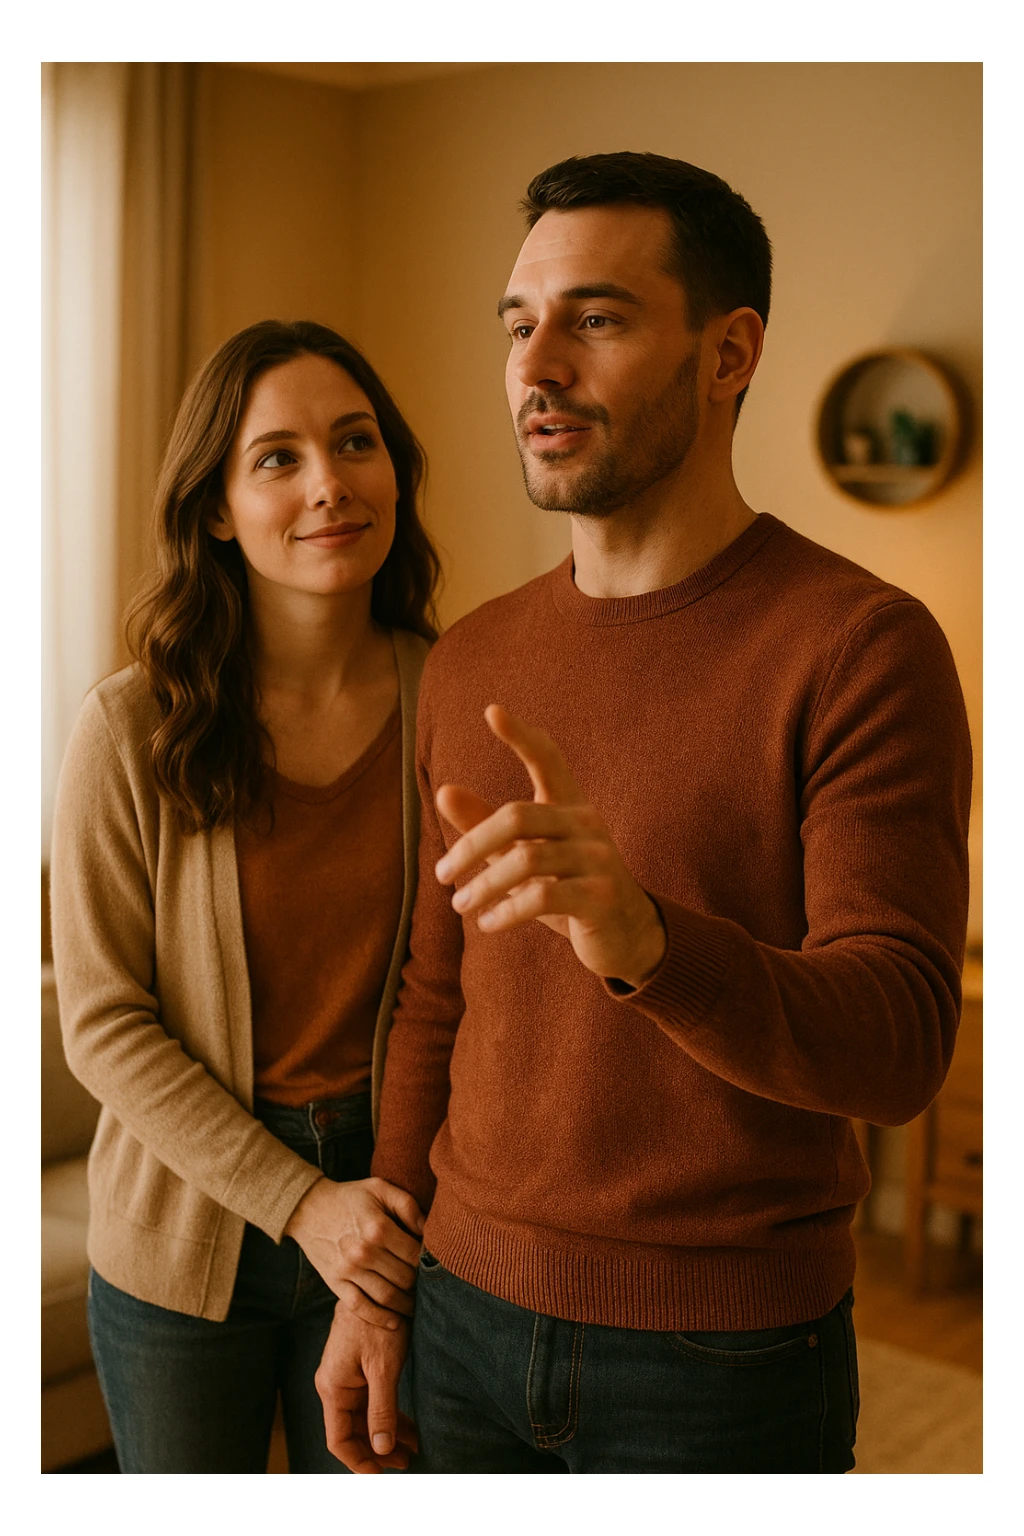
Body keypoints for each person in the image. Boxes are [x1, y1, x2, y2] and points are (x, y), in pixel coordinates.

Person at [314, 153, 972, 1474]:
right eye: (518, 325)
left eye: (596, 319)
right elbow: (434, 1001)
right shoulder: (473, 656)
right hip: (459, 1311)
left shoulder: (859, 646)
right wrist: (374, 1294)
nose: (537, 365)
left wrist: (649, 944)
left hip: (723, 1359)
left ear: (729, 353)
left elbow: (900, 1045)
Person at [49, 319, 440, 1472]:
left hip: (397, 1210)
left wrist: (370, 1205)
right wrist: (302, 1203)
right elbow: (102, 1024)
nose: (329, 484)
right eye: (278, 457)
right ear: (216, 507)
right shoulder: (128, 727)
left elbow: (474, 994)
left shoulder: (455, 698)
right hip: (182, 1228)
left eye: (355, 442)